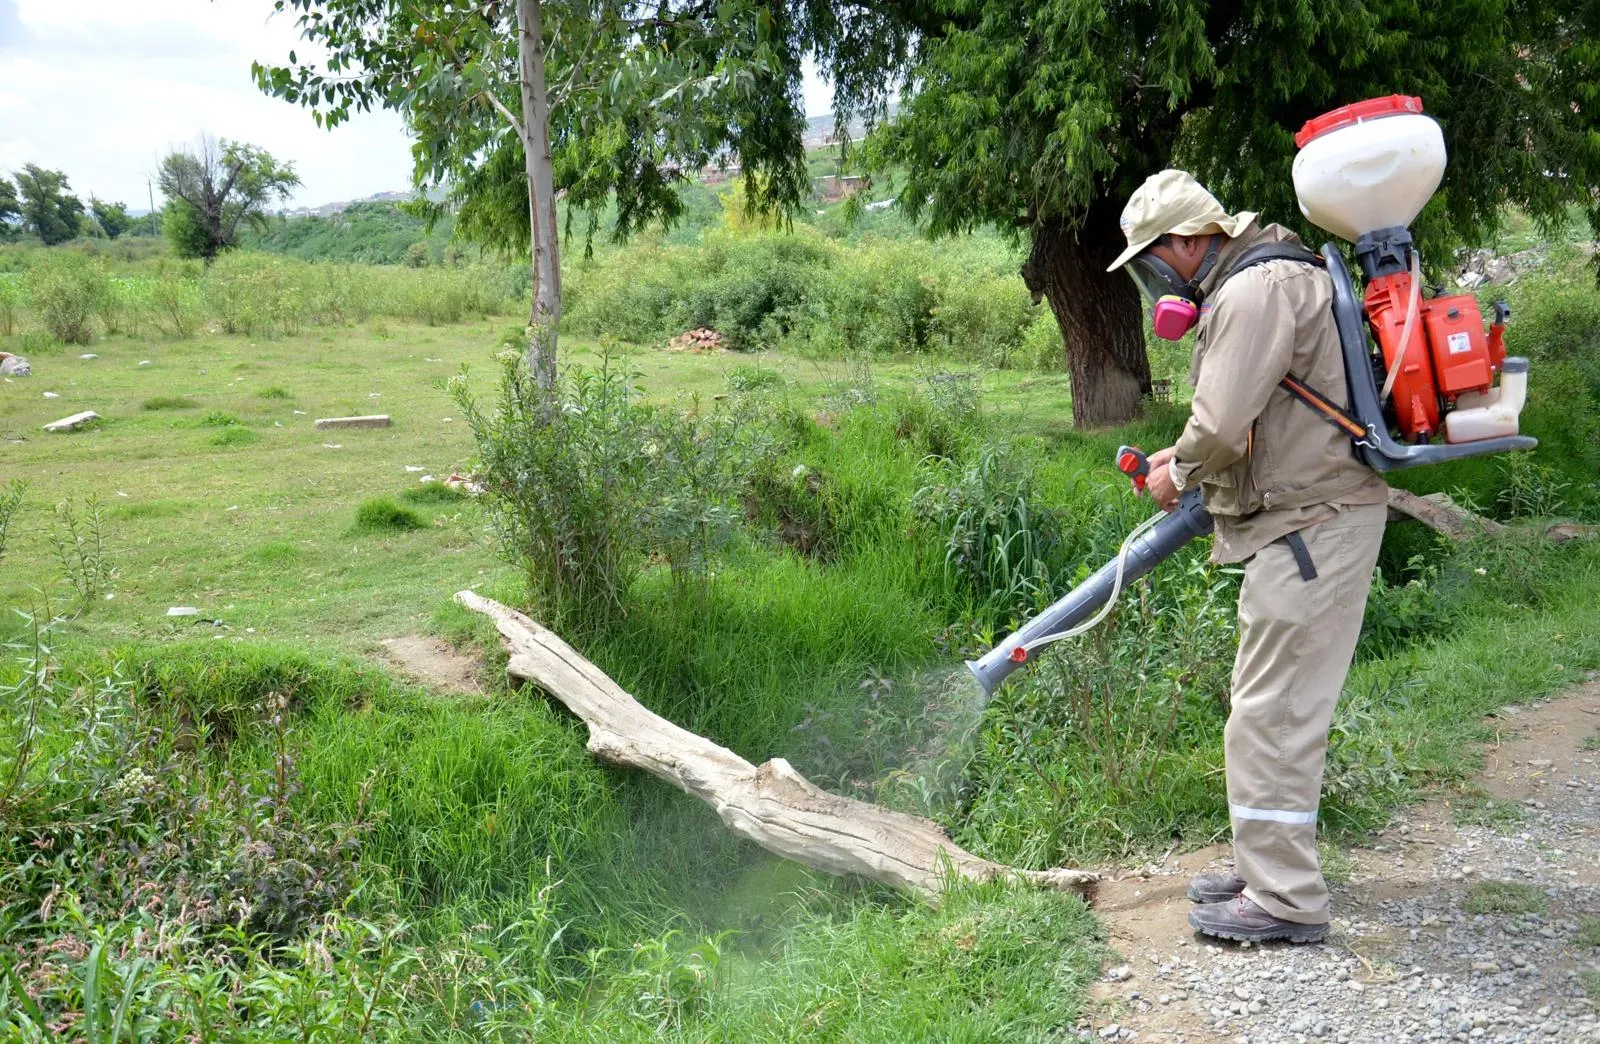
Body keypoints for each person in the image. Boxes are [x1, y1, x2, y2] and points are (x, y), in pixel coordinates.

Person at [1106, 169, 1390, 944]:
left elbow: (1225, 426)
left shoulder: (1252, 292)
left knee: (1275, 715)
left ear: (1192, 241)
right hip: (1303, 524)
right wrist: (1188, 451)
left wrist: (1181, 468)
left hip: (1311, 525)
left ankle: (1287, 900)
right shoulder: (1266, 275)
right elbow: (1253, 415)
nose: (1152, 278)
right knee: (1262, 705)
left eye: (1153, 260)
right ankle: (1263, 865)